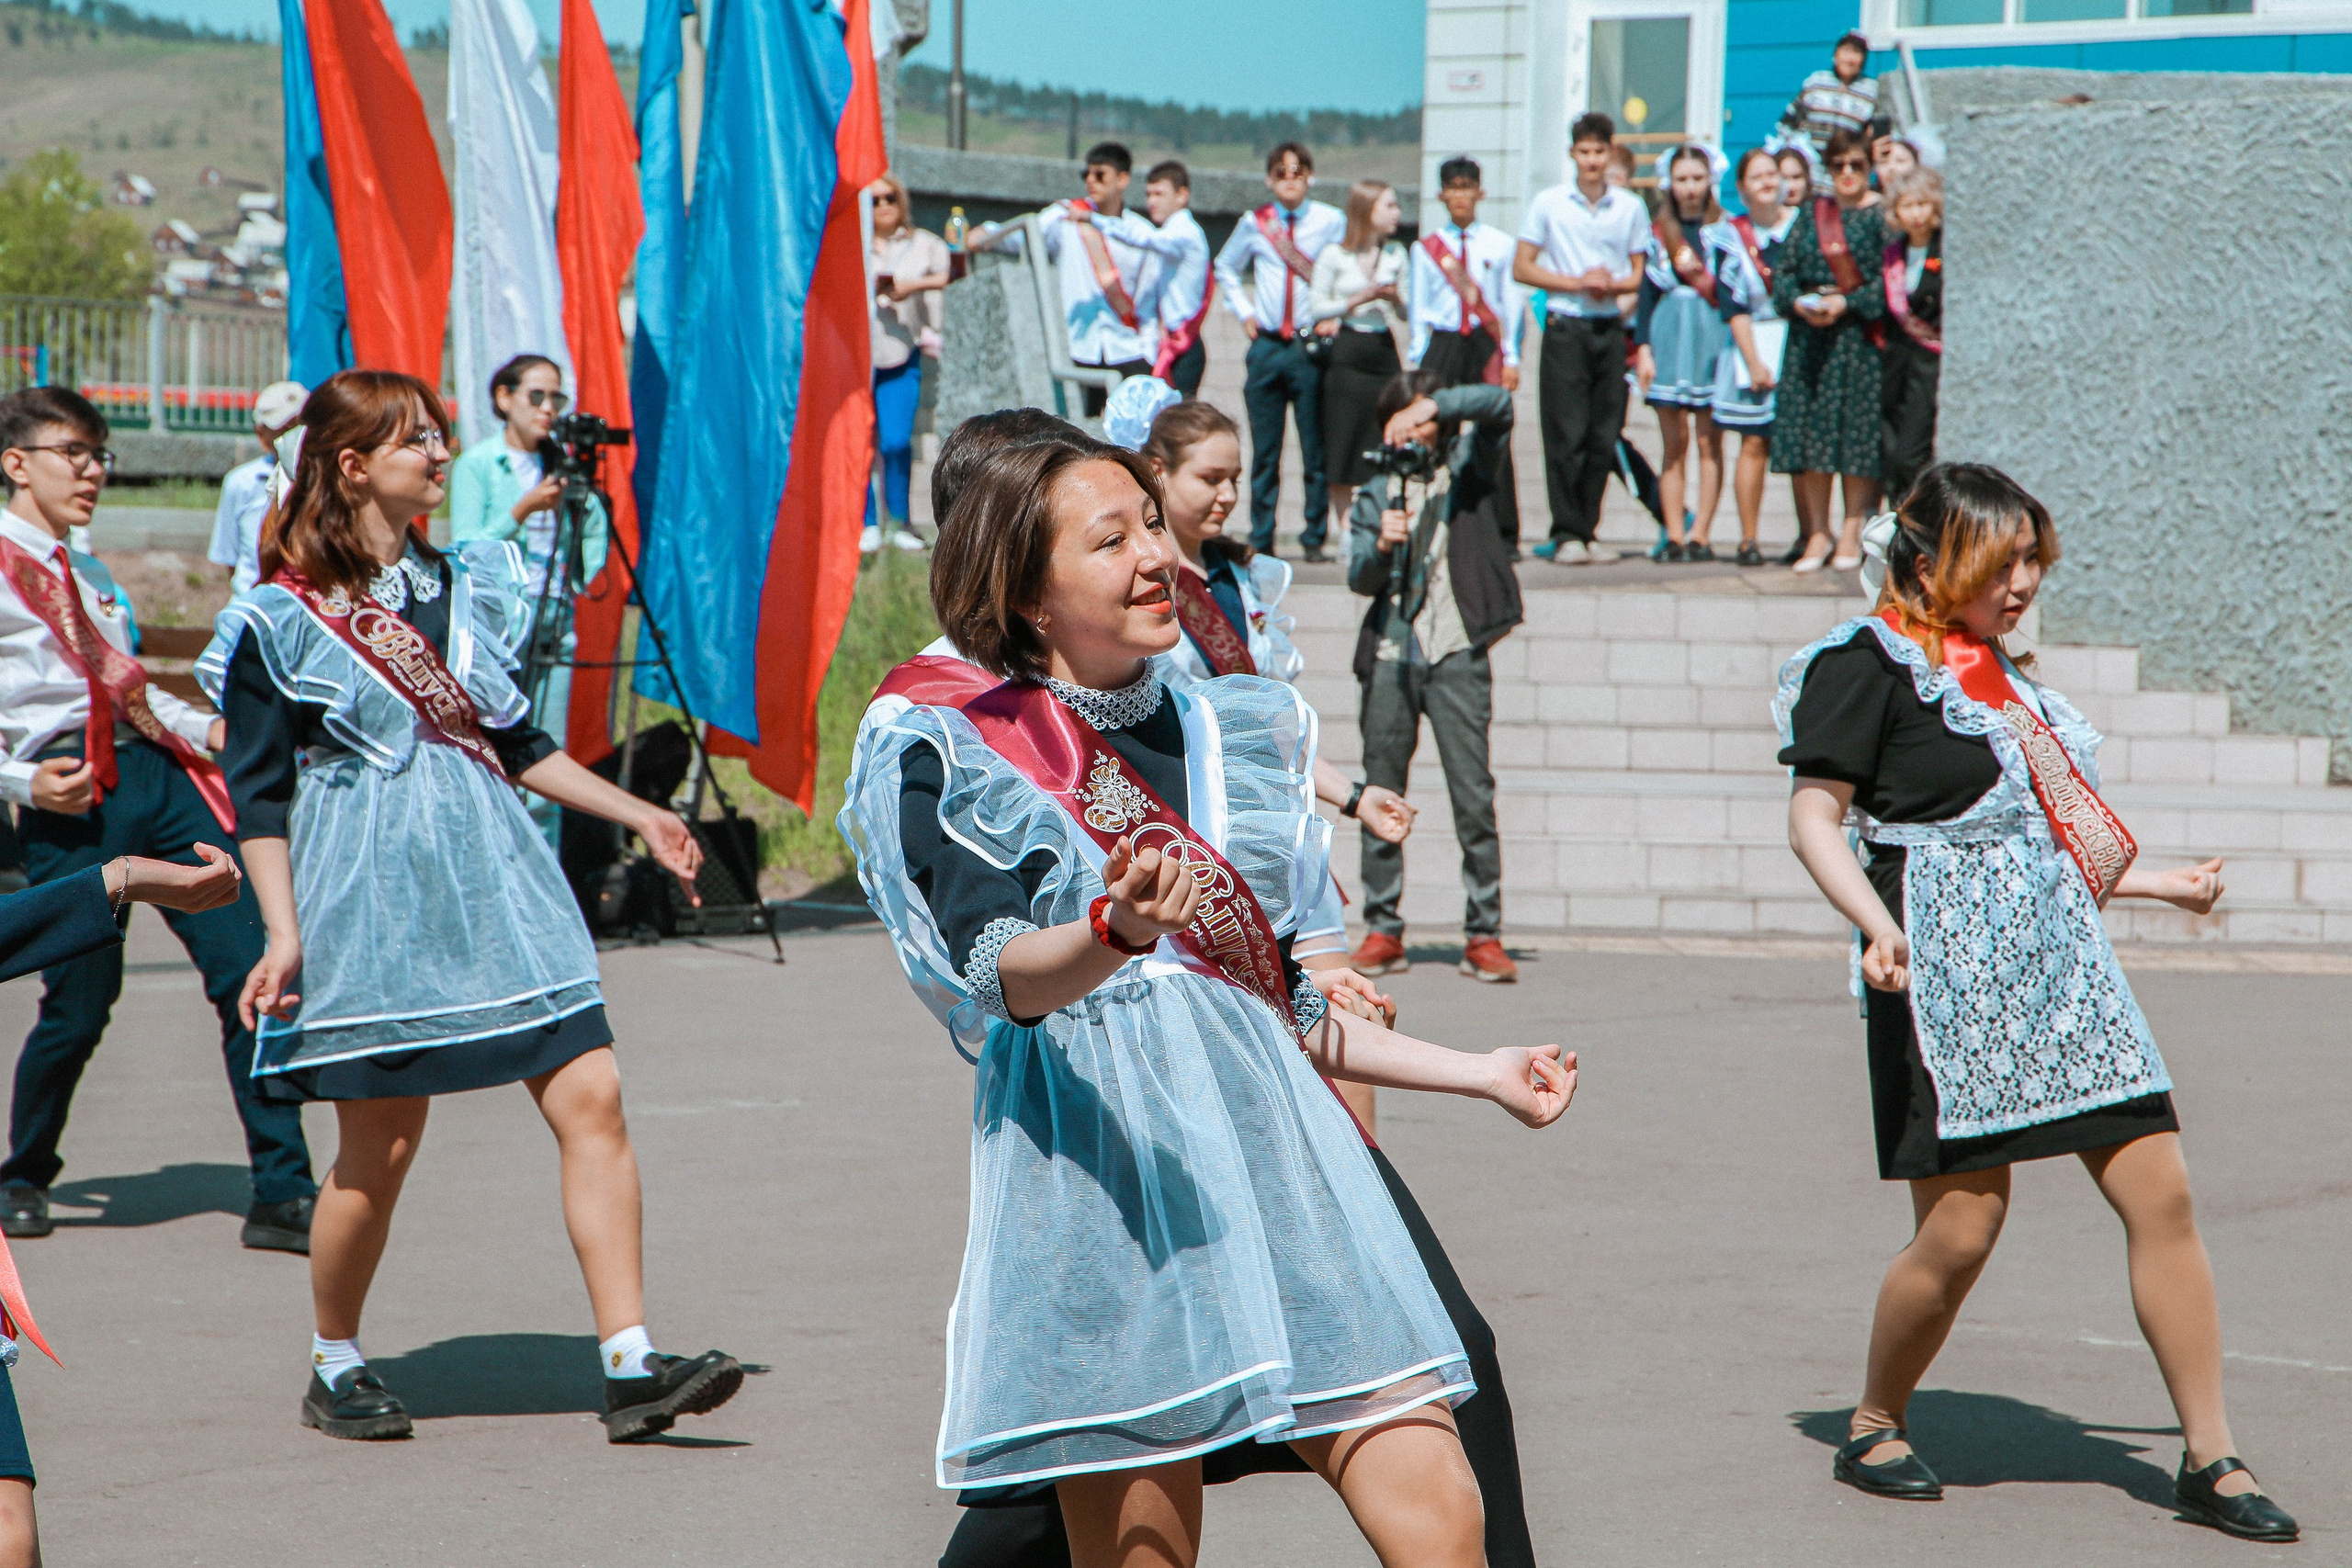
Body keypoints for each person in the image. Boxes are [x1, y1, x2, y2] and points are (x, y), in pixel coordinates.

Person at [842, 421, 1574, 1567]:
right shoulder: (959, 746)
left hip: (1281, 1158)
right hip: (1104, 1178)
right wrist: (1114, 929)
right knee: (1144, 1549)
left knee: (1442, 1508)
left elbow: (1274, 1003)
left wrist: (1479, 1073)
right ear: (1028, 596)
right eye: (1109, 541)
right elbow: (1003, 977)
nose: (1154, 556)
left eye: (1150, 523)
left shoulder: (1229, 726)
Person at [198, 368, 742, 1446]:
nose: (443, 454)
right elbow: (256, 795)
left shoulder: (469, 583)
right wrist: (282, 929)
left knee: (593, 1092)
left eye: (442, 437)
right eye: (419, 440)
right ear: (353, 464)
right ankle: (335, 1358)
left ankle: (631, 1362)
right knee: (382, 1148)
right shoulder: (278, 617)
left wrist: (641, 812)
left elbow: (519, 743)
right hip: (368, 894)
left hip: (499, 879)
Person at [1776, 463, 2300, 1544]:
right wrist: (1873, 927)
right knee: (1962, 1231)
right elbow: (1814, 818)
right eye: (1998, 563)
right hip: (1942, 976)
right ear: (1928, 561)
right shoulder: (1865, 665)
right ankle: (1873, 1423)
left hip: (2066, 976)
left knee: (2161, 1194)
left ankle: (2211, 1457)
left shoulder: (2003, 676)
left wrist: (2159, 884)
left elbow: (2041, 840)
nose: (2020, 584)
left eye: (2030, 561)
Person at [0, 386, 317, 1254]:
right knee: (81, 1000)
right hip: (72, 790)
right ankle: (24, 1170)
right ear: (15, 462)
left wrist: (215, 733)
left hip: (157, 776)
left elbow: (131, 692)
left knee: (248, 969)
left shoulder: (93, 576)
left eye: (99, 455)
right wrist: (24, 782)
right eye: (73, 452)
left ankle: (284, 1187)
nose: (92, 471)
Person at [1345, 370, 1523, 984]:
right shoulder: (1375, 490)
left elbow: (1498, 405)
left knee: (1473, 795)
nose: (1413, 436)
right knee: (1382, 789)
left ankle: (1484, 932)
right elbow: (1359, 578)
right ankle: (1382, 927)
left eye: (1422, 423)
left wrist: (1433, 405)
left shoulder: (1469, 469)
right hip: (1391, 654)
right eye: (1401, 424)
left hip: (1457, 650)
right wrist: (1381, 547)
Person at [447, 353, 611, 844]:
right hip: (502, 622)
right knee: (492, 754)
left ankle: (547, 873)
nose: (547, 408)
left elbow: (593, 531)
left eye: (556, 398)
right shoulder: (479, 464)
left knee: (550, 760)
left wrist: (581, 568)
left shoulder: (559, 463)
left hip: (555, 612)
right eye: (536, 396)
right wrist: (522, 509)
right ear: (504, 398)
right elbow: (465, 548)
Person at [1515, 112, 1649, 566]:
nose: (1592, 160)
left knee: (1603, 432)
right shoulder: (1550, 203)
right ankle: (1566, 531)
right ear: (1573, 153)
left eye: (1599, 151)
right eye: (1584, 151)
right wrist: (1576, 282)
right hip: (1565, 324)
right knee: (1565, 431)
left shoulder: (1629, 207)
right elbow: (1523, 266)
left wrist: (1610, 285)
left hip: (1608, 325)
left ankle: (1588, 529)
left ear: (1610, 153)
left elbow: (1639, 273)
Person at [1214, 141, 1347, 559]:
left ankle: (1314, 537)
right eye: (1281, 173)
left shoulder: (1331, 220)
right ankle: (1262, 536)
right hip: (1268, 346)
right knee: (1265, 451)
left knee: (1314, 448)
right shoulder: (1255, 223)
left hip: (1309, 345)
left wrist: (1336, 313)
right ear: (1269, 180)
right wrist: (1244, 312)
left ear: (1310, 176)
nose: (1290, 180)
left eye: (1297, 172)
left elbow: (1345, 270)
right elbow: (1225, 266)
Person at [1771, 126, 1886, 572]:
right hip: (1811, 341)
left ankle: (1852, 531)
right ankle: (1818, 532)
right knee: (1812, 440)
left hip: (1858, 341)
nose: (1847, 173)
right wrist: (1800, 303)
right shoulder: (1812, 214)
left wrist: (1848, 302)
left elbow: (1890, 282)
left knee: (1856, 440)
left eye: (1856, 164)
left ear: (1869, 166)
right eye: (1838, 165)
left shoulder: (1881, 217)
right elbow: (1784, 273)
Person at [1406, 156, 1523, 548]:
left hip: (1484, 343)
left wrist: (1510, 356)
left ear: (1480, 193)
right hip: (1443, 342)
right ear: (1441, 195)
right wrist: (1418, 357)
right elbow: (1418, 307)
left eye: (1467, 187)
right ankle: (1434, 519)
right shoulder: (1425, 249)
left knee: (1493, 428)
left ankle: (1504, 532)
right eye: (1453, 188)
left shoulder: (1499, 244)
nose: (1460, 196)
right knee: (1436, 428)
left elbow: (1509, 304)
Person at [1634, 144, 1732, 561]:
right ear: (1669, 184)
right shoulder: (1658, 233)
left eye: (1697, 178)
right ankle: (1674, 532)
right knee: (1673, 442)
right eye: (1682, 179)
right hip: (1669, 334)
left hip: (1711, 335)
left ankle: (1701, 534)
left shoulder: (1726, 229)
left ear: (1710, 181)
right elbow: (1645, 294)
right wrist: (1643, 348)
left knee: (1710, 441)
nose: (1690, 188)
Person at [1710, 147, 1797, 568]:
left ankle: (1812, 534)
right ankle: (1748, 538)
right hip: (1755, 344)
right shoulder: (1731, 235)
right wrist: (1754, 362)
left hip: (1799, 340)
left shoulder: (1802, 224)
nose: (1766, 181)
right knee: (1754, 440)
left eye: (1772, 173)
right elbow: (1734, 305)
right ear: (1742, 188)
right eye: (1756, 175)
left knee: (1802, 447)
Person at [1309, 180, 1408, 547]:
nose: (1397, 213)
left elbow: (1410, 311)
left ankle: (1378, 522)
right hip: (1347, 350)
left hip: (1383, 350)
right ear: (1367, 210)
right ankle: (1347, 532)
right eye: (1389, 206)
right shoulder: (1335, 254)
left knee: (1384, 439)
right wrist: (1357, 299)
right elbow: (1316, 307)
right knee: (1344, 442)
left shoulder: (1397, 253)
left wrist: (1395, 299)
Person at [866, 173, 950, 553]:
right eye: (874, 201)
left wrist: (910, 286)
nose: (883, 206)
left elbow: (952, 272)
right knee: (859, 444)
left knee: (897, 441)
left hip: (900, 351)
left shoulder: (924, 243)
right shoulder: (852, 243)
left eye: (890, 198)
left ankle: (900, 521)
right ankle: (866, 522)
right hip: (857, 356)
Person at [207, 379, 309, 597]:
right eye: (284, 429)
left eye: (300, 428)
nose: (294, 437)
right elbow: (231, 561)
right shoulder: (241, 482)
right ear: (262, 435)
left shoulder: (324, 481)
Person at [1879, 168, 1943, 504]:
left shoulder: (1945, 251)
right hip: (1896, 362)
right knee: (1891, 448)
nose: (1916, 213)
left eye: (1922, 204)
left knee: (1911, 453)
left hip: (1929, 362)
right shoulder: (1893, 254)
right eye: (1907, 205)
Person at [1140, 161, 1215, 399]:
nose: (1151, 202)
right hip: (1168, 344)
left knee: (1179, 417)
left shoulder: (1184, 232)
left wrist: (1096, 219)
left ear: (1182, 195)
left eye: (1159, 194)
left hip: (1184, 345)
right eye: (1148, 194)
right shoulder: (1167, 234)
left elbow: (1144, 239)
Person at [1780, 31, 1879, 189]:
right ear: (1835, 55)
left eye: (1856, 53)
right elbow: (1788, 122)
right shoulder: (1816, 82)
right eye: (1846, 51)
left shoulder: (1870, 91)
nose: (1850, 58)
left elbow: (1876, 138)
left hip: (1843, 173)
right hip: (1809, 171)